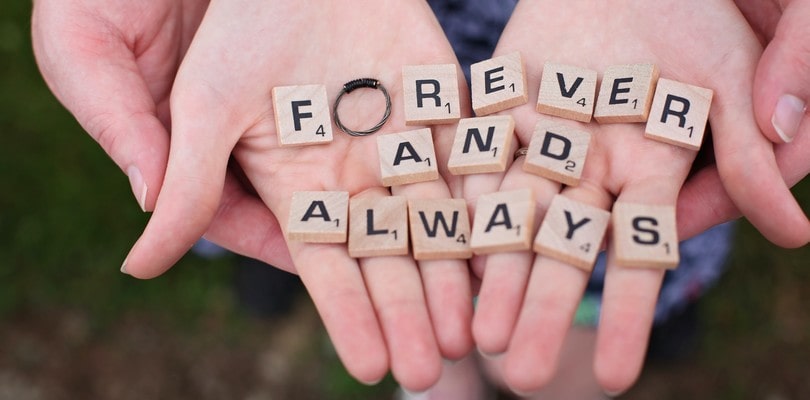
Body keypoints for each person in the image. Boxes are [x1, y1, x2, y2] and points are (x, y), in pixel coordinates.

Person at [31, 0, 809, 396]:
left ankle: (603, 324)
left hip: (625, 34)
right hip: (274, 36)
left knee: (592, 234)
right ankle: (427, 355)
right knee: (292, 200)